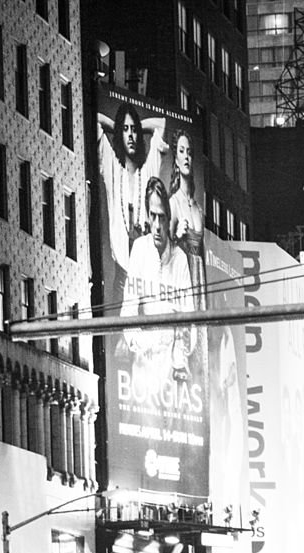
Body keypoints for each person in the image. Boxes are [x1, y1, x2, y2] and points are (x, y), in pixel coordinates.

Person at [118, 176, 196, 383]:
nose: (157, 225)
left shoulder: (180, 259)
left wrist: (178, 359)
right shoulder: (139, 249)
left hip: (172, 369)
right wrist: (141, 342)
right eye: (153, 216)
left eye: (162, 217)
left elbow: (189, 318)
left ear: (169, 218)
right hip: (143, 364)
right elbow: (128, 309)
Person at [96, 102, 169, 305]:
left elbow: (161, 124)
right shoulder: (112, 167)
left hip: (145, 278)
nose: (130, 135)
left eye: (134, 130)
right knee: (118, 334)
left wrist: (135, 123)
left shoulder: (147, 172)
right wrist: (117, 126)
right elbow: (96, 119)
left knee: (150, 333)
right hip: (121, 274)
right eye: (125, 130)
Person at [168, 129, 206, 309]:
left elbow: (203, 253)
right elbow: (163, 254)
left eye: (189, 152)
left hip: (200, 280)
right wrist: (175, 236)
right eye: (182, 151)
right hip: (182, 279)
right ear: (175, 159)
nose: (186, 157)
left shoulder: (199, 208)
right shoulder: (173, 203)